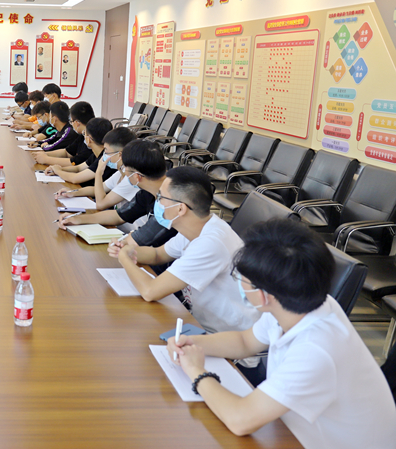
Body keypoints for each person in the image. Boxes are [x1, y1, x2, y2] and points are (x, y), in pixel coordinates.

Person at [167, 219, 396, 447]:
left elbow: (240, 420)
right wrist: (192, 343)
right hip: (296, 430)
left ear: (262, 294)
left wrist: (196, 370)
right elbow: (245, 341)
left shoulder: (316, 350)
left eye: (240, 278)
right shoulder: (294, 301)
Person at [108, 166, 260, 338]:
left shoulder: (210, 243)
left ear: (180, 209)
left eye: (161, 197)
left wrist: (124, 258)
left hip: (228, 338)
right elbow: (158, 255)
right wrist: (127, 250)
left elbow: (150, 291)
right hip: (200, 323)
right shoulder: (198, 226)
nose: (158, 202)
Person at [56, 127, 140, 210]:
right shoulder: (120, 173)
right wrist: (72, 192)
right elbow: (97, 189)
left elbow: (101, 204)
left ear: (119, 155)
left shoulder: (131, 179)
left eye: (106, 151)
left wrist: (99, 173)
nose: (104, 154)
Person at [43, 117, 115, 186]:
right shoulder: (96, 154)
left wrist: (58, 171)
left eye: (84, 134)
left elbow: (75, 178)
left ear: (89, 139)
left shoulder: (104, 158)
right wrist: (58, 169)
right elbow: (78, 168)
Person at [32, 101, 94, 167]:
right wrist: (44, 154)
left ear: (76, 123)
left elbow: (75, 162)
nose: (71, 124)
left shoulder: (91, 139)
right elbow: (67, 152)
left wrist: (46, 159)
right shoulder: (82, 135)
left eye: (71, 121)